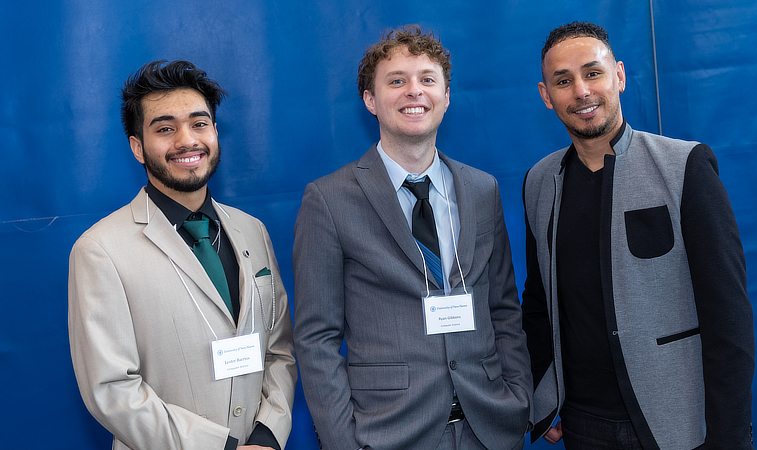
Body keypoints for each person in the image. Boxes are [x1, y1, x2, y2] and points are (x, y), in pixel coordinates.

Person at [293, 25, 532, 450]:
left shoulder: (482, 189)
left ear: (445, 96)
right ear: (370, 100)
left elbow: (503, 309)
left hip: (490, 427)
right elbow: (316, 337)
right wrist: (342, 440)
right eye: (397, 81)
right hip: (388, 433)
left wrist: (519, 398)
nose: (414, 92)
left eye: (427, 79)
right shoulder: (328, 200)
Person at [522, 21, 755, 450]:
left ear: (620, 76)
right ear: (546, 96)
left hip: (677, 424)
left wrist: (730, 438)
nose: (582, 91)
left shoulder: (684, 167)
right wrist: (543, 398)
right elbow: (538, 303)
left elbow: (730, 318)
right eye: (563, 81)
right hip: (582, 424)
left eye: (593, 73)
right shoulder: (539, 183)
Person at [68, 60, 296, 450]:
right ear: (137, 147)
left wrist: (268, 434)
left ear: (215, 132)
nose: (187, 140)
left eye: (199, 123)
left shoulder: (251, 230)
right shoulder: (100, 250)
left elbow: (279, 350)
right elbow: (112, 389)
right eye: (165, 128)